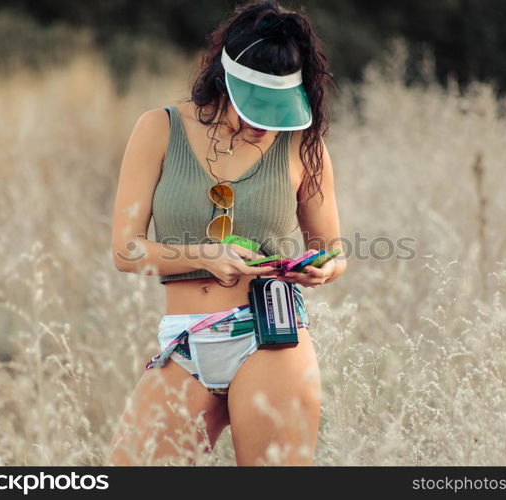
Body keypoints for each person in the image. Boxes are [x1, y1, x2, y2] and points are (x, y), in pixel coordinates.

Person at [107, 0, 345, 466]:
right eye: (254, 108)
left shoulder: (304, 144)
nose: (263, 125)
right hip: (183, 341)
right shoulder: (160, 128)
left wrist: (324, 268)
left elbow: (332, 248)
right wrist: (205, 255)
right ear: (224, 78)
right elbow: (125, 251)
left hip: (272, 337)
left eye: (277, 110)